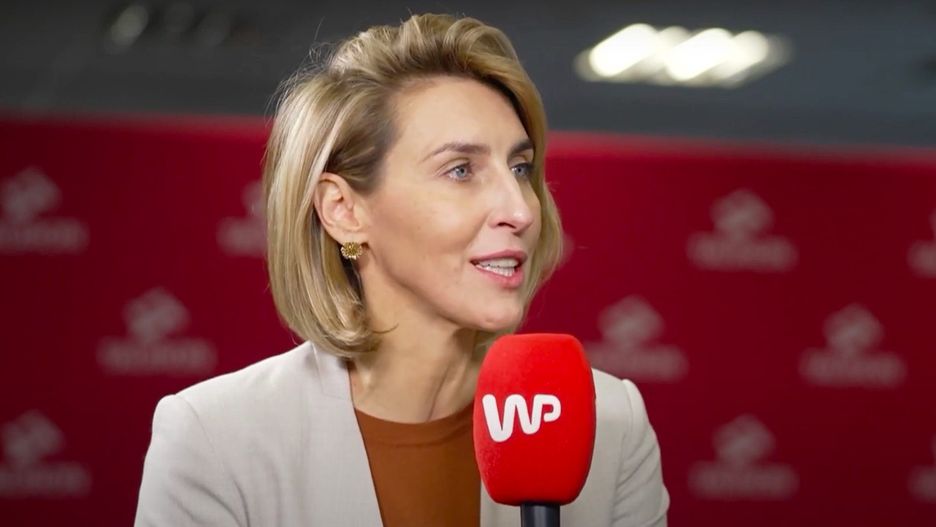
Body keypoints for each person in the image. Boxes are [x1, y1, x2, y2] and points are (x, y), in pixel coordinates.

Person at [134, 12, 669, 527]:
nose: (522, 209)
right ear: (344, 210)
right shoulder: (215, 438)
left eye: (521, 167)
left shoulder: (611, 424)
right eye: (460, 170)